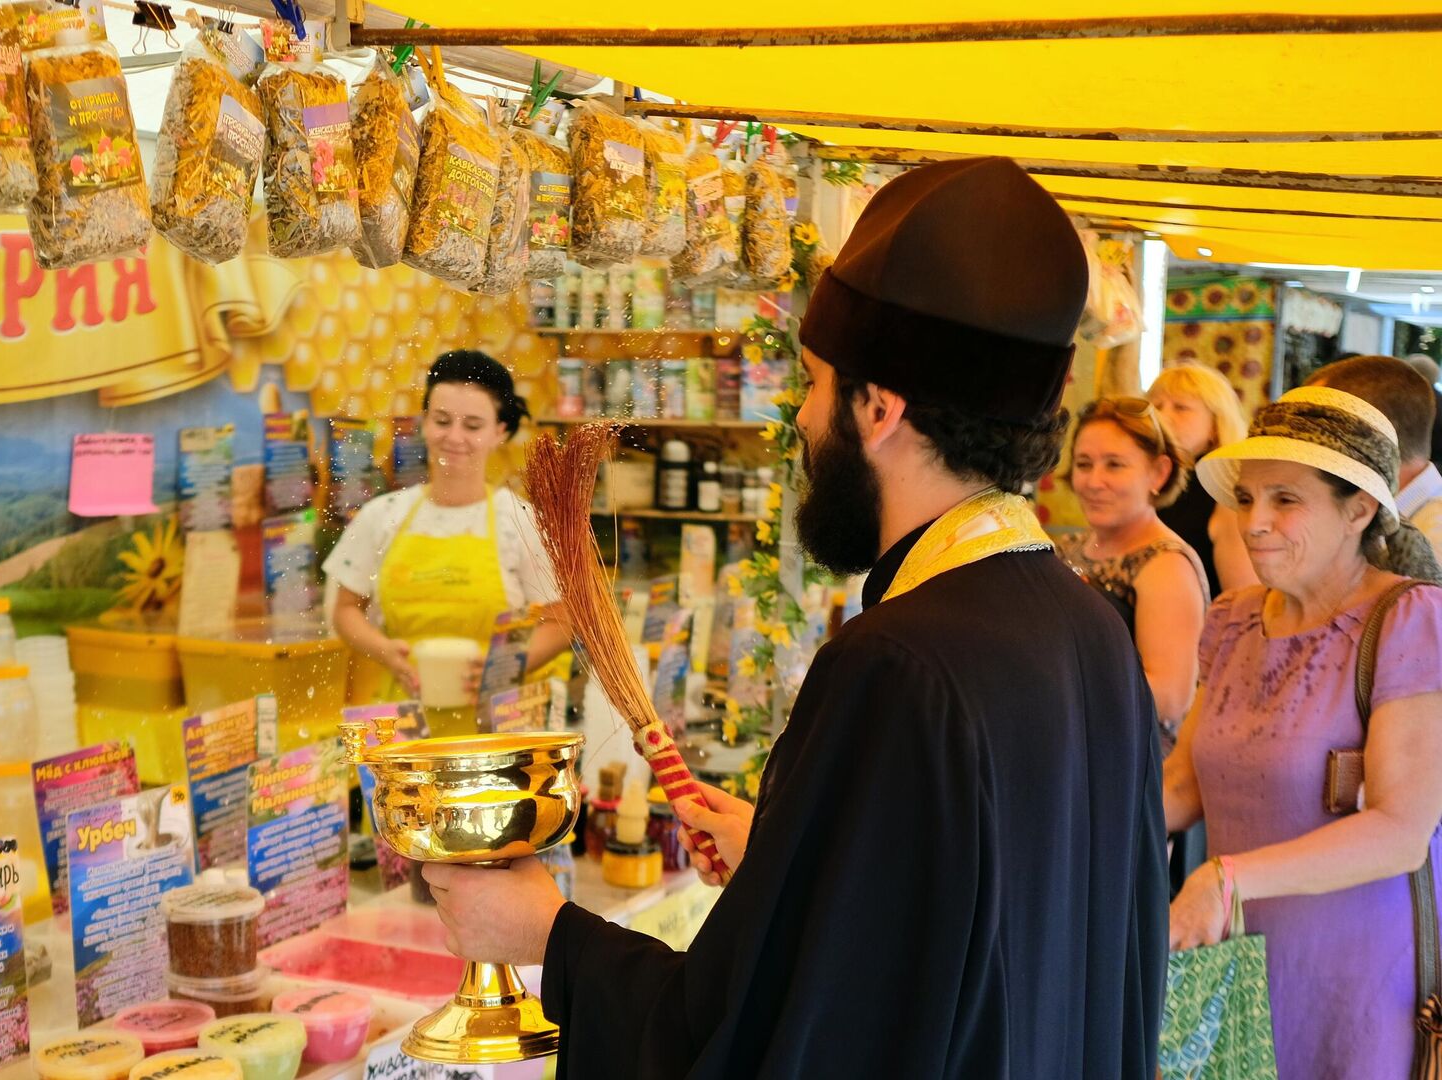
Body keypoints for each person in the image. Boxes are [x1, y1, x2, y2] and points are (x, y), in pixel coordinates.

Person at [422, 156, 1166, 1076]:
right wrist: (787, 854)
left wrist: (552, 936)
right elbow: (969, 940)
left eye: (814, 383)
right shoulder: (1085, 626)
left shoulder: (899, 664)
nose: (803, 417)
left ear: (879, 407)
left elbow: (779, 1040)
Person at [1164, 386, 1442, 1077]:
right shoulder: (1230, 618)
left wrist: (1227, 879)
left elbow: (1401, 830)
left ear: (1359, 509)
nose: (1256, 522)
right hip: (1230, 964)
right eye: (1247, 499)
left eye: (1286, 500)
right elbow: (1182, 785)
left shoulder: (1411, 622)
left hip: (1356, 976)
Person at [325, 350, 569, 735]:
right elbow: (345, 610)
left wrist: (506, 667)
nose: (454, 437)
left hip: (497, 728)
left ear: (499, 432)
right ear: (424, 423)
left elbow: (562, 620)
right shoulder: (381, 515)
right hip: (402, 728)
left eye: (473, 425)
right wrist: (385, 650)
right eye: (442, 421)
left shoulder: (521, 521)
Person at [1058, 397, 1209, 753]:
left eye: (1114, 465)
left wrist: (1053, 691)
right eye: (1084, 464)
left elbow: (1170, 699)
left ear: (1158, 472)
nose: (1094, 481)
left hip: (1128, 761)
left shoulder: (1165, 565)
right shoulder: (1069, 547)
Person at [1306, 354, 1442, 554]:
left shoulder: (1434, 541)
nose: (1304, 447)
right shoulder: (1376, 519)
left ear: (1365, 438)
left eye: (1316, 431)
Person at [1149, 363, 1259, 596]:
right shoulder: (1147, 485)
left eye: (1181, 407)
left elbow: (1241, 601)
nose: (1162, 415)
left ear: (1215, 427)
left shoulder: (1225, 495)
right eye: (1156, 406)